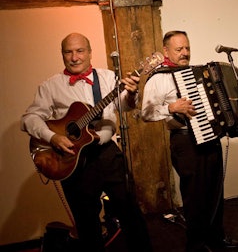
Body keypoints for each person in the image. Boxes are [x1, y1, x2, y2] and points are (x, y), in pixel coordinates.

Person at [21, 33, 152, 252]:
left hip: (107, 154)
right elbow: (29, 119)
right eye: (68, 52)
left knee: (130, 211)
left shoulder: (109, 78)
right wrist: (53, 137)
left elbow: (126, 107)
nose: (74, 57)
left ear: (90, 52)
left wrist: (131, 93)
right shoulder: (51, 86)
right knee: (86, 222)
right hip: (72, 160)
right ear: (62, 54)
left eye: (80, 51)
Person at [141, 30, 238, 252]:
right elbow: (146, 113)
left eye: (187, 48)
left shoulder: (196, 73)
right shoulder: (158, 78)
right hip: (184, 142)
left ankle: (216, 237)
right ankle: (196, 244)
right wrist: (171, 107)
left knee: (215, 191)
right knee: (194, 195)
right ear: (166, 51)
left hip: (209, 136)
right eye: (179, 49)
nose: (185, 53)